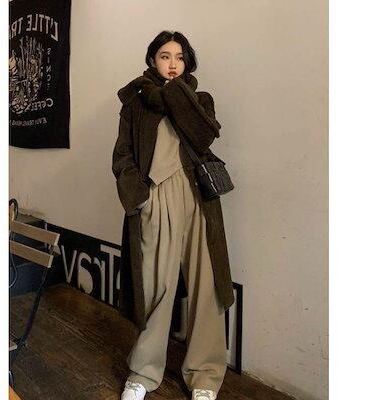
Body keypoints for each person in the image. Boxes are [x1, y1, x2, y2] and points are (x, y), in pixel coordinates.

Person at [112, 30, 235, 400]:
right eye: (165, 56)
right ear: (152, 60)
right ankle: (142, 373)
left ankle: (205, 376)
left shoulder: (200, 99)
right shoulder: (135, 102)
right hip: (156, 196)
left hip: (199, 199)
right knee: (155, 287)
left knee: (205, 287)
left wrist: (175, 93)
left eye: (180, 57)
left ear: (188, 63)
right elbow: (122, 154)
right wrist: (140, 196)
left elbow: (203, 137)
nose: (172, 64)